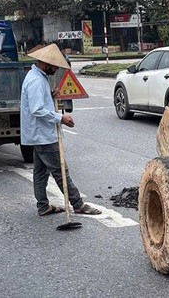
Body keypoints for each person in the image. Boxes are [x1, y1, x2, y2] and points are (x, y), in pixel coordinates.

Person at [21, 44, 101, 217]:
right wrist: (61, 118)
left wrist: (50, 95)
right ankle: (78, 204)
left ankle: (43, 206)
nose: (56, 69)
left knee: (40, 172)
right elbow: (37, 109)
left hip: (40, 134)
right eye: (55, 65)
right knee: (61, 172)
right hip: (43, 135)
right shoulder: (36, 81)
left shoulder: (38, 76)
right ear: (45, 63)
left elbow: (39, 102)